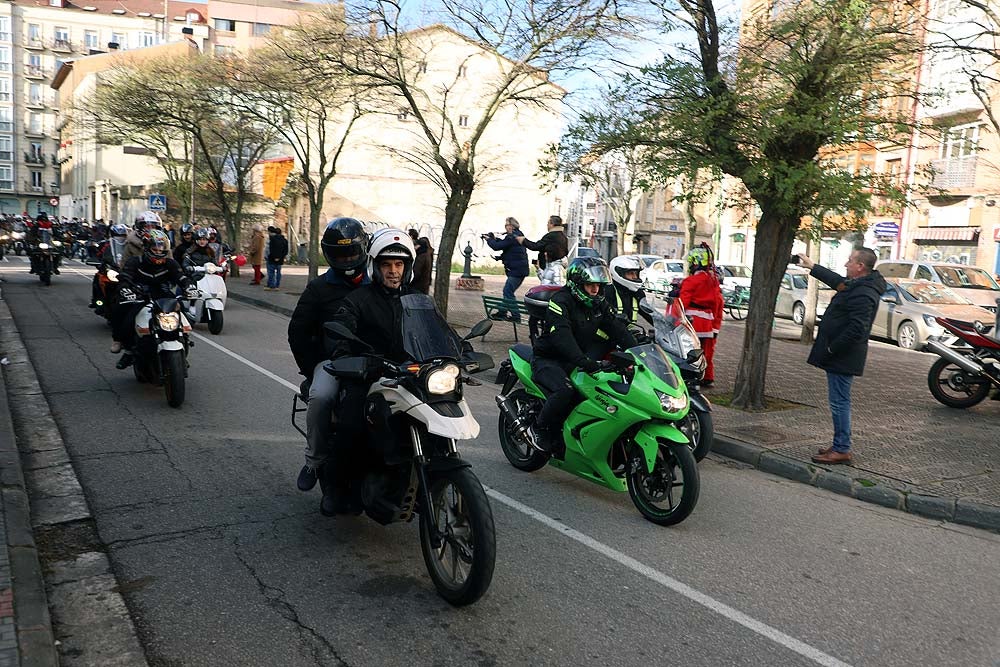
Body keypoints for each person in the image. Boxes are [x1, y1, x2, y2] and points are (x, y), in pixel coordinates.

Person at [326, 229, 419, 511]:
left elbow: (437, 330)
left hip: (409, 374)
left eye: (399, 264)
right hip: (370, 373)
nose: (393, 271)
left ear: (407, 267)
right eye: (387, 265)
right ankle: (338, 489)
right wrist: (352, 357)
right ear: (375, 267)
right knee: (351, 424)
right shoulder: (359, 300)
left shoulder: (416, 299)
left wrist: (459, 351)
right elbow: (340, 336)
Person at [287, 218, 370, 515]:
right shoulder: (319, 289)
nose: (347, 260)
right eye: (340, 255)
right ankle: (314, 461)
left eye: (352, 253)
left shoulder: (379, 282)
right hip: (333, 363)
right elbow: (297, 332)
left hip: (376, 362)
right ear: (329, 255)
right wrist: (314, 369)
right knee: (321, 398)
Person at [530, 257, 637, 458]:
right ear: (577, 284)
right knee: (565, 391)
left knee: (599, 392)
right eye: (590, 285)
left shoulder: (599, 303)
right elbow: (562, 338)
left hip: (578, 358)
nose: (595, 290)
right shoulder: (560, 302)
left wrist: (638, 355)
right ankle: (539, 429)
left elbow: (617, 329)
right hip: (549, 359)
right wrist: (586, 363)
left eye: (598, 285)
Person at [797, 248, 886, 465]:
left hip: (842, 356)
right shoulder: (858, 285)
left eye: (849, 261)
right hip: (840, 355)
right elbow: (836, 280)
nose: (846, 264)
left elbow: (858, 328)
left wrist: (832, 349)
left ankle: (841, 448)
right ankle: (839, 444)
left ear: (860, 267)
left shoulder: (864, 293)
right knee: (839, 401)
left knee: (839, 403)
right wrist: (812, 267)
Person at [110, 229, 191, 369]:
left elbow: (181, 277)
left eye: (162, 247)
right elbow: (125, 277)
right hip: (139, 295)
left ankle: (182, 346)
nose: (159, 251)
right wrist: (125, 289)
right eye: (155, 247)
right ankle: (127, 350)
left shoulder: (170, 263)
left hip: (163, 295)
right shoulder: (135, 261)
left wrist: (189, 287)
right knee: (123, 313)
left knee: (181, 311)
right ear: (147, 247)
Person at [679, 244, 724, 387]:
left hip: (693, 321)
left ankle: (692, 377)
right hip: (709, 323)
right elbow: (718, 303)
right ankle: (707, 376)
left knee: (690, 350)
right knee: (707, 351)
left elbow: (682, 303)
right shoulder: (713, 281)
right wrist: (716, 327)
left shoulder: (690, 281)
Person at [485, 217, 530, 321]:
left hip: (517, 271)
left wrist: (489, 240)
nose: (505, 227)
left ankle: (516, 316)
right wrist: (494, 239)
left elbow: (497, 246)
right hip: (518, 270)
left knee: (508, 292)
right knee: (508, 292)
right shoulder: (516, 235)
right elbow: (508, 247)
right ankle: (502, 312)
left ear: (511, 226)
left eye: (506, 225)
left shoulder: (513, 236)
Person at [519, 215, 568, 282]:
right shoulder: (563, 236)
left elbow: (536, 246)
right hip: (555, 267)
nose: (547, 225)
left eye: (548, 223)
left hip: (551, 267)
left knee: (550, 286)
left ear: (552, 224)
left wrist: (523, 240)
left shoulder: (551, 236)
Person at [606, 255, 646, 323]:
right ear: (619, 273)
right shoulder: (607, 291)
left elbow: (648, 313)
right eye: (631, 273)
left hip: (625, 333)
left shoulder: (637, 293)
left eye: (636, 273)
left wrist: (664, 322)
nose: (635, 277)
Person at [265, 226, 288, 290]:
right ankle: (277, 285)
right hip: (280, 260)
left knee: (271, 272)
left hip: (272, 259)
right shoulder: (285, 240)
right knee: (278, 272)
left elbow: (271, 250)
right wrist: (281, 257)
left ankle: (270, 285)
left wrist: (275, 257)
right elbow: (286, 250)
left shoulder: (272, 240)